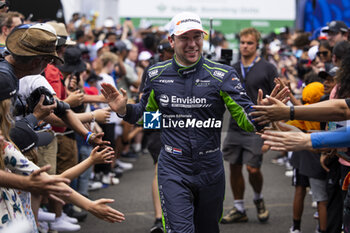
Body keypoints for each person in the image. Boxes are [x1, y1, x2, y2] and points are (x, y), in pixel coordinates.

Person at [101, 11, 265, 233]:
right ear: (171, 40)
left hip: (210, 167)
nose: (192, 44)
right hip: (173, 167)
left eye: (197, 36)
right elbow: (145, 117)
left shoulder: (222, 74)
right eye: (184, 38)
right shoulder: (156, 74)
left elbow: (245, 120)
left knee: (207, 229)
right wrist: (124, 110)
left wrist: (264, 116)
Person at [221, 27, 277, 224]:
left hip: (258, 127)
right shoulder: (232, 68)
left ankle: (258, 198)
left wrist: (272, 134)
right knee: (234, 167)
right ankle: (239, 208)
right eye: (242, 42)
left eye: (249, 43)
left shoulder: (268, 68)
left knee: (253, 169)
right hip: (235, 128)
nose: (245, 46)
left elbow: (277, 100)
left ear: (257, 45)